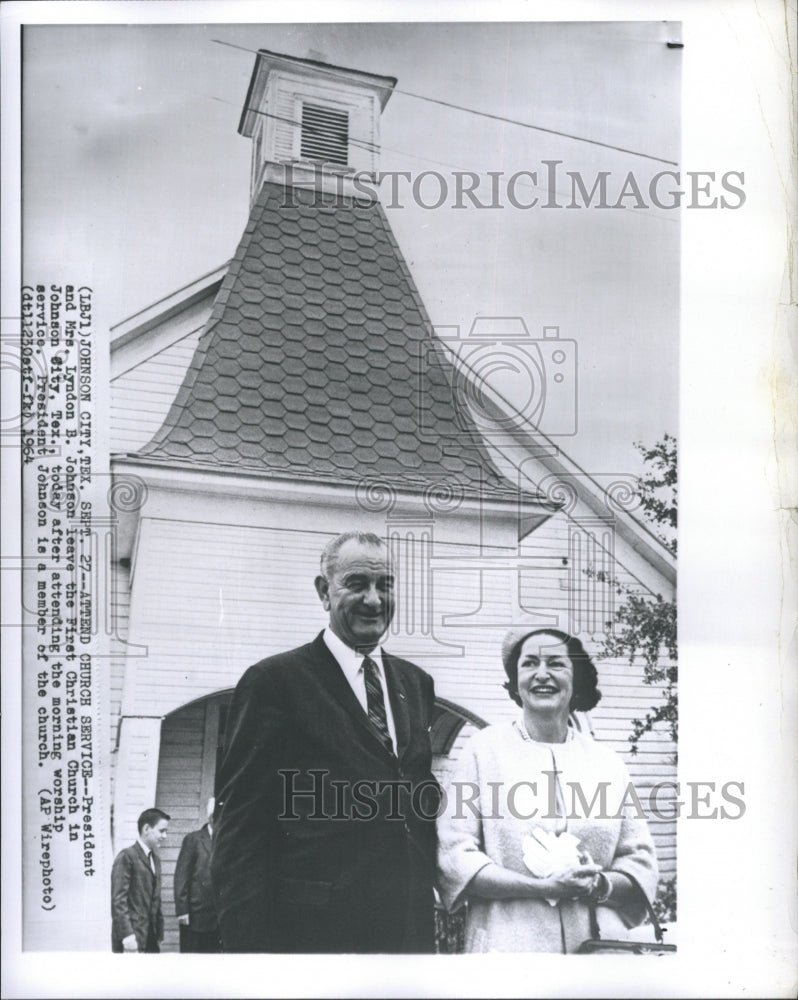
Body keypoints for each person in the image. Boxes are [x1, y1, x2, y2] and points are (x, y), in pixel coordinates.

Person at [211, 531, 440, 953]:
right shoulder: (275, 682)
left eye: (385, 585)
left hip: (408, 935)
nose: (374, 599)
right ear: (324, 591)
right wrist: (248, 957)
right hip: (311, 939)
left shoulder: (415, 683)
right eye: (356, 584)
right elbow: (240, 831)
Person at [437, 627, 658, 953]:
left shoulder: (607, 763)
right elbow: (454, 857)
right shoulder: (483, 752)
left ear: (576, 676)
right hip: (509, 948)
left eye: (556, 663)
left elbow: (640, 862)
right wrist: (542, 886)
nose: (542, 674)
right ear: (516, 679)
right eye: (529, 664)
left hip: (597, 950)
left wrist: (598, 885)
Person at [111, 807, 170, 953]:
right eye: (162, 831)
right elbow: (119, 901)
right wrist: (127, 937)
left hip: (150, 936)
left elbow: (156, 898)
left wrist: (159, 931)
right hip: (132, 938)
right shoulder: (127, 856)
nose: (165, 836)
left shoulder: (155, 859)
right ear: (146, 829)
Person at [174, 798, 221, 953]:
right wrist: (182, 911)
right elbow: (181, 876)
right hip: (195, 916)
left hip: (218, 917)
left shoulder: (225, 841)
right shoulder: (194, 840)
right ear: (211, 817)